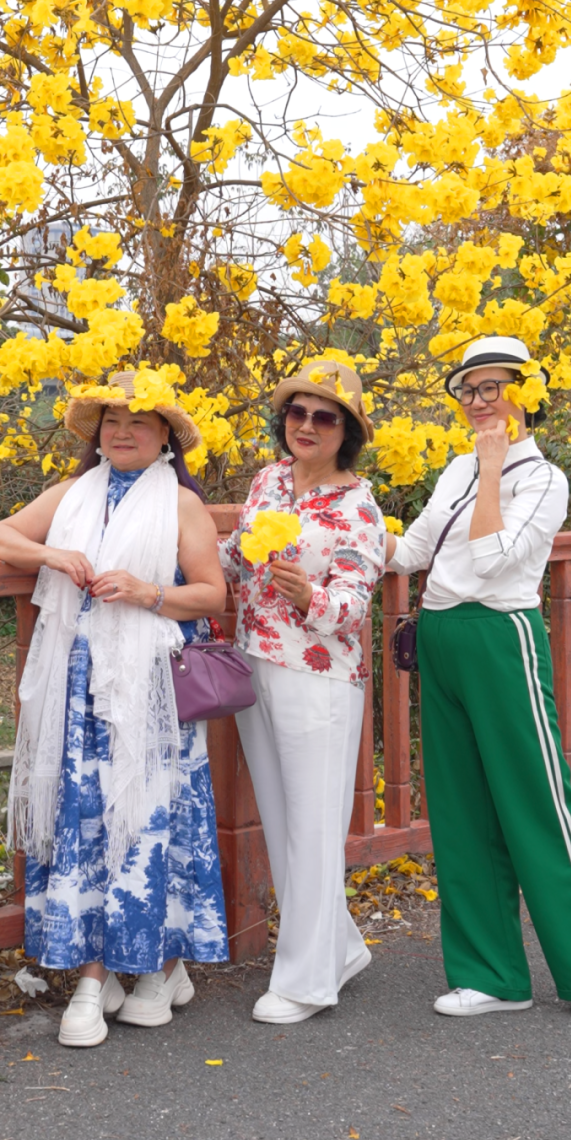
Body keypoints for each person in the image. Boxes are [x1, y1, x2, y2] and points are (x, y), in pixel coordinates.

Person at [0, 370, 229, 1049]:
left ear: (164, 437)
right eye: (111, 421)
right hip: (78, 685)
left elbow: (211, 594)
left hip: (151, 690)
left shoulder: (181, 505)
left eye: (138, 422)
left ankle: (149, 966)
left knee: (149, 818)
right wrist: (54, 554)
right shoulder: (73, 495)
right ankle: (110, 975)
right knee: (87, 816)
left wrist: (149, 593)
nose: (121, 432)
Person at [385, 334, 571, 1022]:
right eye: (469, 389)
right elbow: (411, 550)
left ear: (527, 393)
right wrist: (336, 528)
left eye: (493, 386)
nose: (478, 400)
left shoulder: (545, 479)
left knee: (536, 800)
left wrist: (491, 471)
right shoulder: (455, 470)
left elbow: (493, 559)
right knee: (460, 809)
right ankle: (491, 976)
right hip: (442, 637)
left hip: (500, 638)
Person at [220, 357, 385, 1024]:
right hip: (255, 661)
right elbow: (235, 555)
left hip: (319, 676)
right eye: (298, 412)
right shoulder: (269, 481)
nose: (308, 425)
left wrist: (307, 595)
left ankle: (308, 981)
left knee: (315, 828)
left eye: (325, 417)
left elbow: (354, 605)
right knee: (284, 821)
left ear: (347, 432)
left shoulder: (358, 506)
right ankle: (338, 948)